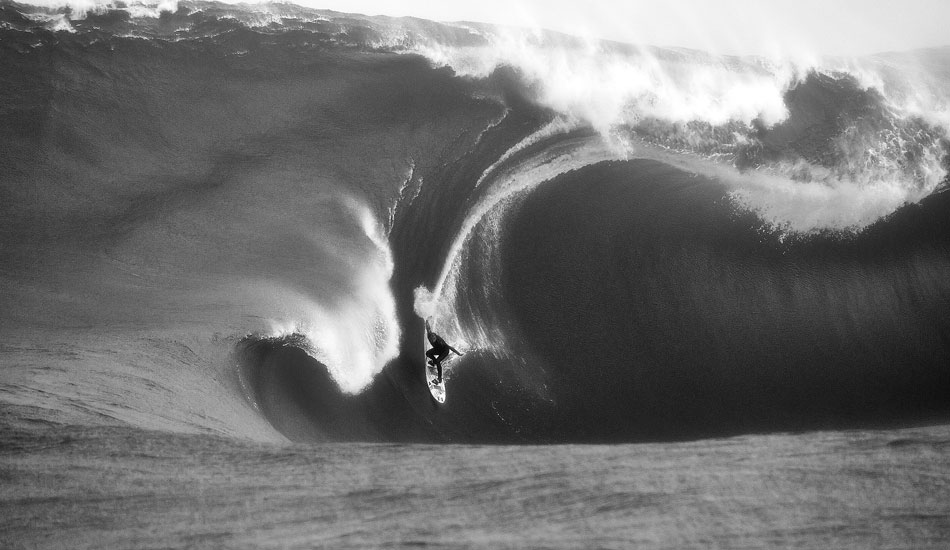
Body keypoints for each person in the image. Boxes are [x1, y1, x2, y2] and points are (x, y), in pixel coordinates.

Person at [425, 319, 463, 384]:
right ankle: (433, 362)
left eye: (434, 339)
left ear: (436, 338)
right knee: (428, 353)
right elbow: (428, 328)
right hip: (437, 349)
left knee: (438, 361)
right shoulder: (429, 335)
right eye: (431, 339)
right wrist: (427, 320)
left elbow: (450, 347)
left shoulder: (440, 342)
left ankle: (439, 379)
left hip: (445, 351)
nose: (432, 340)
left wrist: (458, 353)